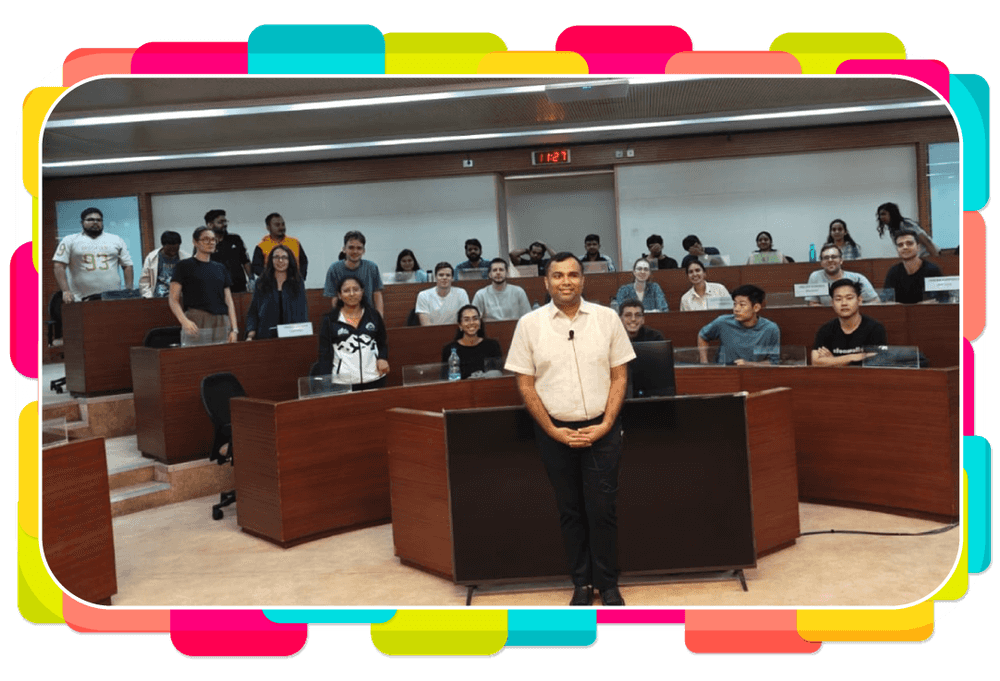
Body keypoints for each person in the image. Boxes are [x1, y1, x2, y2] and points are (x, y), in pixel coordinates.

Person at [505, 252, 634, 607]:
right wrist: (552, 429)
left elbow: (619, 375)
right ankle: (581, 583)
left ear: (583, 280)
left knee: (602, 508)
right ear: (546, 282)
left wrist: (606, 423)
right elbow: (526, 384)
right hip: (554, 432)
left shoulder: (607, 319)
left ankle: (607, 584)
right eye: (558, 275)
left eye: (573, 275)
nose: (566, 281)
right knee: (570, 509)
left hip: (601, 430)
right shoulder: (529, 325)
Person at [317, 275, 389, 390]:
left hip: (374, 377)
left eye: (356, 289)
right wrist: (326, 381)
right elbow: (325, 353)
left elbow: (382, 342)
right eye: (346, 290)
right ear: (339, 295)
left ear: (362, 292)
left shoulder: (373, 315)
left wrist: (383, 358)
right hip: (343, 382)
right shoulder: (330, 320)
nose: (351, 294)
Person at [168, 227, 239, 343]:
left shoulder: (221, 267)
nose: (210, 242)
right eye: (205, 239)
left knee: (222, 358)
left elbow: (229, 300)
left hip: (221, 320)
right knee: (195, 358)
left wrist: (234, 329)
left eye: (213, 240)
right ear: (195, 242)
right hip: (196, 319)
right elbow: (173, 299)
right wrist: (184, 321)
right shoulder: (184, 266)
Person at [53, 207, 134, 303]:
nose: (95, 222)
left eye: (99, 220)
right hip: (80, 299)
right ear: (82, 223)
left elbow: (127, 265)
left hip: (112, 298)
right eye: (90, 220)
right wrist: (65, 291)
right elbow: (59, 266)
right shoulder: (69, 240)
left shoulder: (116, 240)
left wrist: (129, 290)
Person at [698, 284, 780, 365]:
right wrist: (704, 364)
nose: (736, 309)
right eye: (735, 304)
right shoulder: (723, 322)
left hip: (754, 375)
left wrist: (748, 365)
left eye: (742, 305)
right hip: (725, 374)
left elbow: (773, 362)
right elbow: (702, 336)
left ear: (756, 308)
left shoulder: (770, 329)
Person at [811, 279, 887, 367]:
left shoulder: (875, 328)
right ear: (832, 303)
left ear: (859, 300)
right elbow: (816, 362)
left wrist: (833, 361)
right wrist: (853, 357)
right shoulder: (825, 330)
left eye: (849, 298)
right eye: (838, 299)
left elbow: (878, 361)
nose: (844, 303)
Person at [245, 244, 309, 340]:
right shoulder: (262, 282)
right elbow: (254, 311)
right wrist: (251, 333)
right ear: (271, 260)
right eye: (276, 257)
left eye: (284, 257)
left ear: (289, 261)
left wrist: (303, 334)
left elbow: (302, 311)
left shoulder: (297, 282)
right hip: (266, 335)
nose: (280, 261)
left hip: (292, 335)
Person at [323, 230, 385, 317]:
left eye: (359, 248)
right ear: (344, 249)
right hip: (345, 316)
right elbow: (334, 297)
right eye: (351, 247)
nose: (355, 251)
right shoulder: (334, 269)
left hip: (368, 316)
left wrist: (380, 316)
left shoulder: (372, 267)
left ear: (364, 251)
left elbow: (377, 294)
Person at [882, 230, 945, 304]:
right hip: (901, 314)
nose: (905, 247)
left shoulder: (932, 270)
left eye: (909, 243)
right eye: (900, 245)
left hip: (926, 313)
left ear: (918, 247)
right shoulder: (893, 272)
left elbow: (940, 299)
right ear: (897, 250)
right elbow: (886, 300)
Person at [440, 305, 503, 379]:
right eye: (466, 320)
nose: (471, 323)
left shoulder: (492, 345)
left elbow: (497, 374)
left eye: (475, 318)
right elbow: (445, 378)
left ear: (480, 322)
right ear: (460, 325)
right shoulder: (450, 349)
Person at [805, 244, 879, 307]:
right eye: (826, 258)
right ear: (821, 262)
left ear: (841, 260)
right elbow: (812, 304)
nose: (830, 260)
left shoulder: (857, 278)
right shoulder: (815, 276)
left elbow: (876, 301)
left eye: (834, 257)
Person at [251, 213, 308, 281]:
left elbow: (303, 262)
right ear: (268, 227)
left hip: (294, 285)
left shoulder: (295, 243)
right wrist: (270, 279)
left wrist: (300, 278)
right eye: (277, 225)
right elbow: (257, 267)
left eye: (283, 224)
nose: (281, 227)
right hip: (271, 287)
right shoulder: (261, 246)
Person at [205, 209, 252, 293]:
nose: (225, 225)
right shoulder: (204, 243)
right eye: (220, 222)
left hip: (239, 286)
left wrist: (252, 279)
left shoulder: (235, 239)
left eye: (225, 221)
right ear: (210, 225)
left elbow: (245, 261)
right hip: (216, 288)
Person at [139, 231, 188, 299]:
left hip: (179, 298)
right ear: (163, 245)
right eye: (169, 249)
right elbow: (144, 281)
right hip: (157, 299)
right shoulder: (152, 257)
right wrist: (149, 298)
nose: (173, 252)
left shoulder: (186, 258)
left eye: (175, 249)